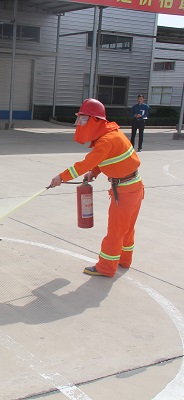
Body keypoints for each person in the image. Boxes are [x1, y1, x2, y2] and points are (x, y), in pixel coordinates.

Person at [49, 98, 144, 277]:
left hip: (125, 192)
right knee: (126, 228)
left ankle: (106, 267)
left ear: (96, 121)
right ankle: (124, 260)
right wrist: (95, 172)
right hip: (134, 187)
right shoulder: (111, 134)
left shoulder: (106, 140)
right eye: (80, 119)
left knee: (116, 230)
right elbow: (109, 158)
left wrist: (61, 177)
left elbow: (84, 164)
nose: (80, 124)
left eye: (84, 119)